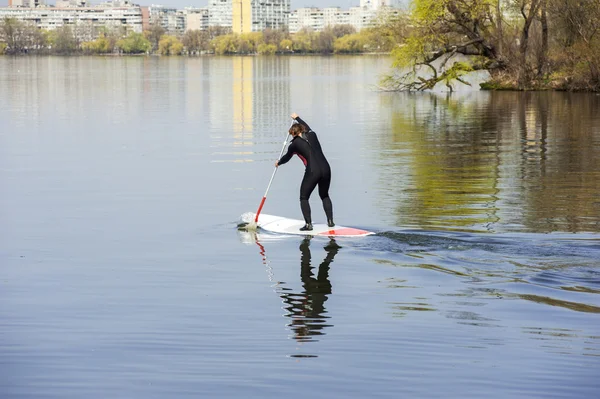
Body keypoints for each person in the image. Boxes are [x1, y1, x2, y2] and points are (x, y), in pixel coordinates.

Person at [275, 113, 334, 231]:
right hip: (326, 169)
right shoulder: (313, 134)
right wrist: (297, 118)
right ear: (303, 129)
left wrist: (279, 163)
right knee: (324, 195)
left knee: (304, 197)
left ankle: (308, 225)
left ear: (293, 133)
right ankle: (330, 222)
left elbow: (287, 157)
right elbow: (306, 126)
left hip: (313, 171)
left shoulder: (294, 145)